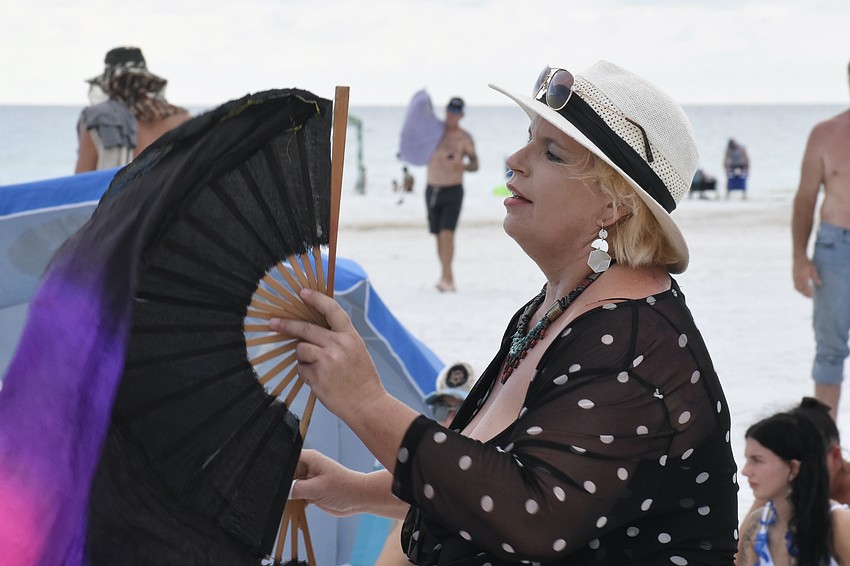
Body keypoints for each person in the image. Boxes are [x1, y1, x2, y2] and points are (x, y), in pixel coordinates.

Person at [273, 60, 738, 564]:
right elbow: (486, 469)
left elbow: (532, 515)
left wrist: (367, 403)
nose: (514, 160)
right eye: (527, 137)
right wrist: (357, 490)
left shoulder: (634, 347)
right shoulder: (558, 307)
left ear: (613, 206)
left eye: (551, 152)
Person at [373, 363, 476, 566]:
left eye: (462, 408)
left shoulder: (502, 484)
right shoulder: (419, 489)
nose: (449, 418)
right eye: (442, 408)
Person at [792, 61, 850, 418]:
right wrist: (799, 257)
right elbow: (805, 198)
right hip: (835, 249)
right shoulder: (826, 134)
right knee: (830, 349)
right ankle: (829, 451)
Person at [737, 411, 850, 565]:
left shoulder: (837, 522)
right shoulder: (755, 525)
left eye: (757, 460)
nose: (745, 470)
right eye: (747, 459)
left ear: (794, 467)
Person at [75, 46, 190, 173]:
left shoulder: (97, 119)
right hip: (169, 192)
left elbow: (82, 180)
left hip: (123, 192)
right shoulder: (182, 118)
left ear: (108, 80)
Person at [425, 97, 478, 293]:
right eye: (450, 111)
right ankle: (446, 274)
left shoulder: (464, 138)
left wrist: (461, 165)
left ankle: (447, 276)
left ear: (462, 115)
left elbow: (475, 164)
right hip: (432, 189)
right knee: (438, 236)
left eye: (456, 112)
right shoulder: (434, 134)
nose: (452, 116)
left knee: (448, 233)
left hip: (453, 189)